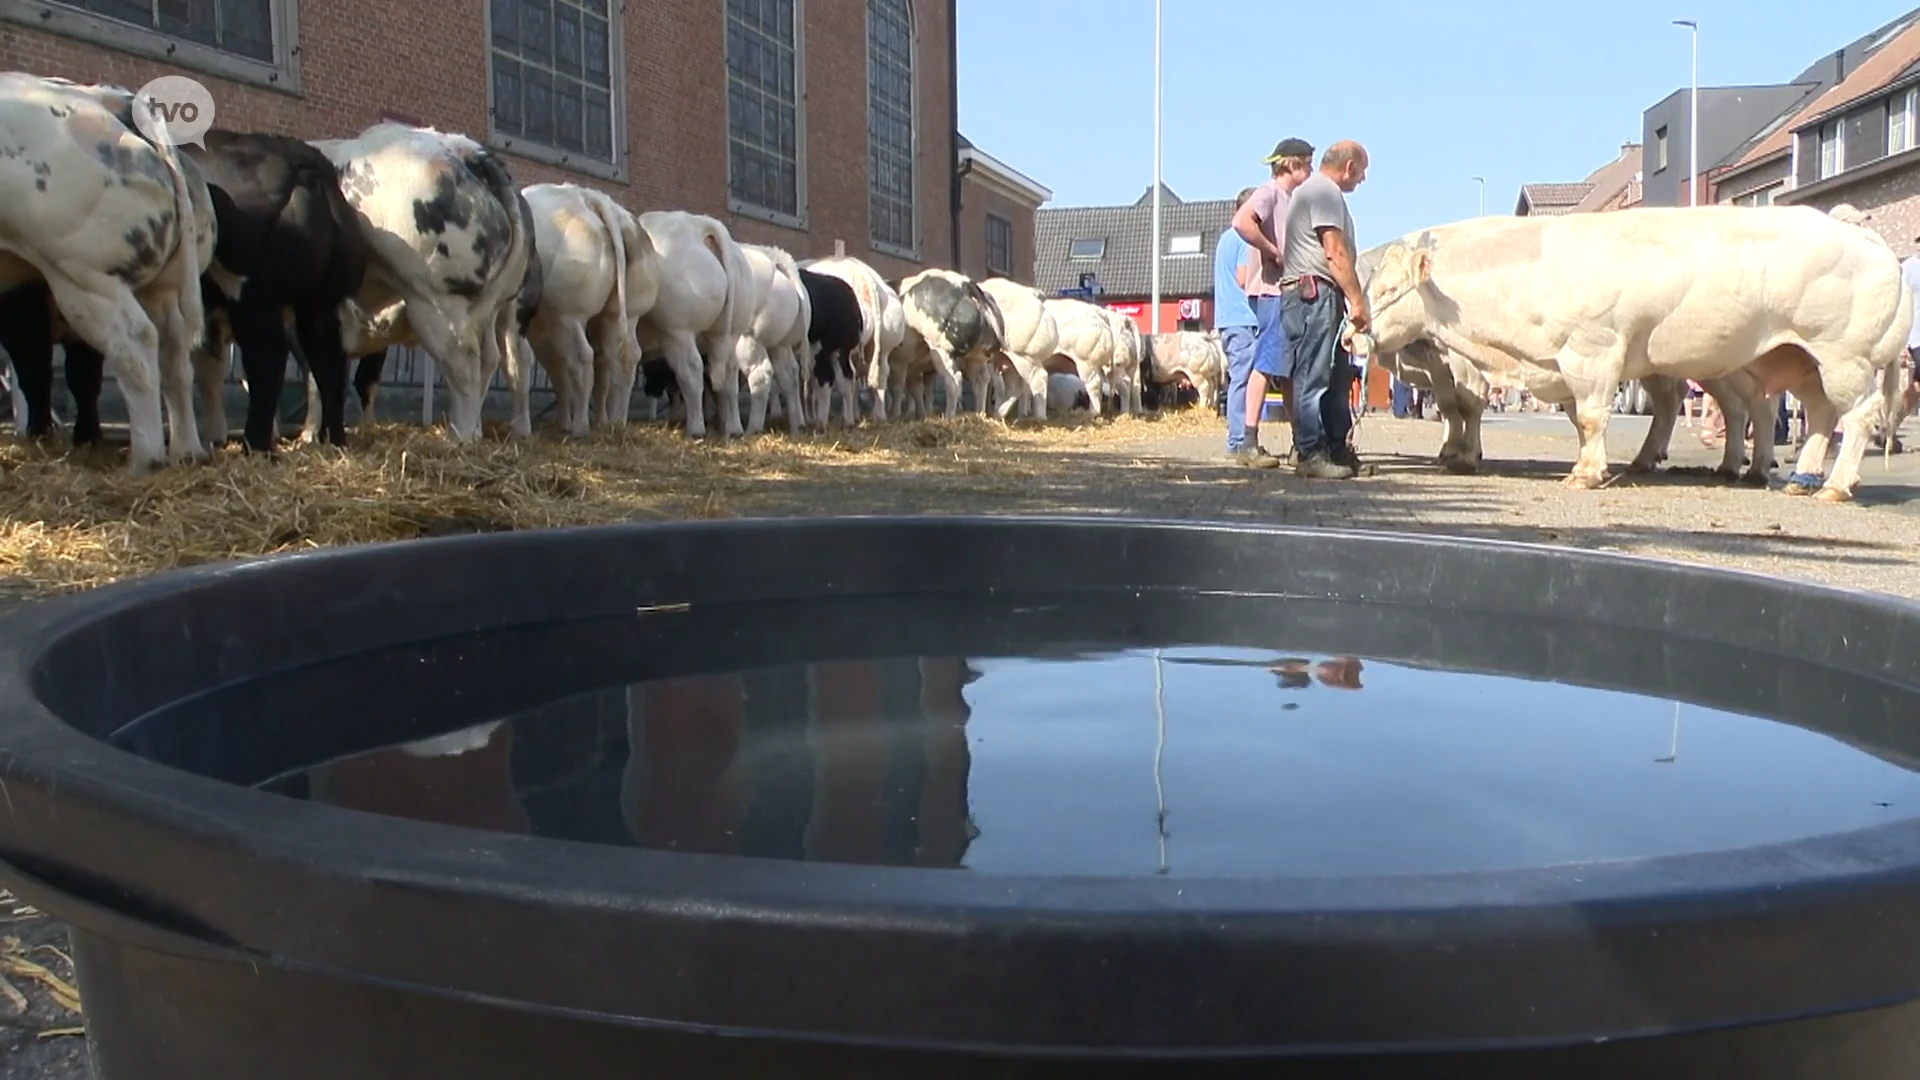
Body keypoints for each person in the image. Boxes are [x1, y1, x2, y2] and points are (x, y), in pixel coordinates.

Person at [1279, 140, 1369, 479]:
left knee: (1336, 375)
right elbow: (1334, 252)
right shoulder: (1324, 192)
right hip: (1313, 294)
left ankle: (1335, 448)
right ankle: (1309, 452)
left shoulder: (1318, 192)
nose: (1362, 180)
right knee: (1313, 374)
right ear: (1348, 167)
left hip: (1319, 295)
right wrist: (1358, 301)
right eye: (1362, 172)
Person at [1229, 137, 1315, 467]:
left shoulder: (1289, 198)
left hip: (1285, 291)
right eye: (1307, 164)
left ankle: (1300, 443)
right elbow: (1242, 222)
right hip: (1272, 292)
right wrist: (1272, 250)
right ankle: (1248, 443)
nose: (1310, 170)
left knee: (1288, 368)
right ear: (1290, 165)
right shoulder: (1268, 193)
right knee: (1265, 364)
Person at [1212, 186, 1263, 460]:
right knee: (1243, 380)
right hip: (1244, 318)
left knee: (1238, 378)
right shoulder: (1245, 239)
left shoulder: (1224, 239)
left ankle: (1237, 438)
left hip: (1227, 318)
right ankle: (1239, 440)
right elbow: (1245, 278)